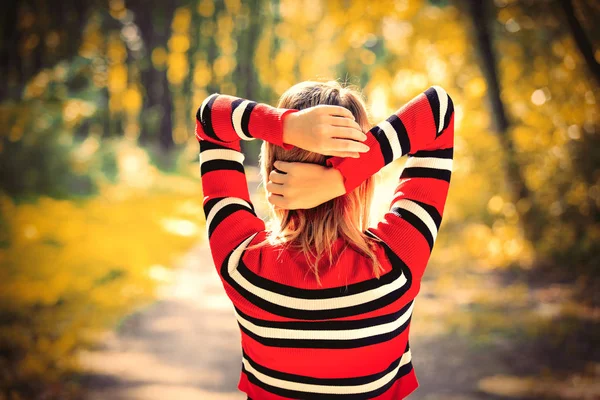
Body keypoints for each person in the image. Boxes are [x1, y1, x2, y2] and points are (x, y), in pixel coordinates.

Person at [195, 80, 454, 399]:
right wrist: (342, 177)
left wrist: (284, 126)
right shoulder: (397, 264)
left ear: (271, 163)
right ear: (365, 180)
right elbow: (439, 112)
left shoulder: (242, 264)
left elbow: (210, 118)